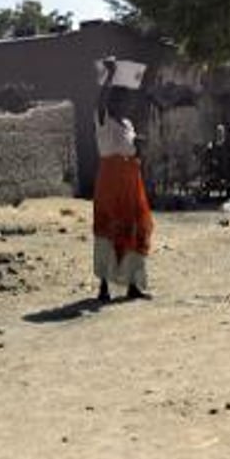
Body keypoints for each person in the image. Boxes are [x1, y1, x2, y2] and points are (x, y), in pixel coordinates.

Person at [93, 57, 154, 301]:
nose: (125, 102)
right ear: (113, 100)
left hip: (131, 179)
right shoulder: (103, 119)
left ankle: (133, 285)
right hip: (110, 180)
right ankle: (104, 287)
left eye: (127, 98)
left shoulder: (128, 124)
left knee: (137, 227)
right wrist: (109, 76)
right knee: (109, 228)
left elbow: (134, 150)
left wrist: (139, 147)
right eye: (120, 98)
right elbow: (100, 100)